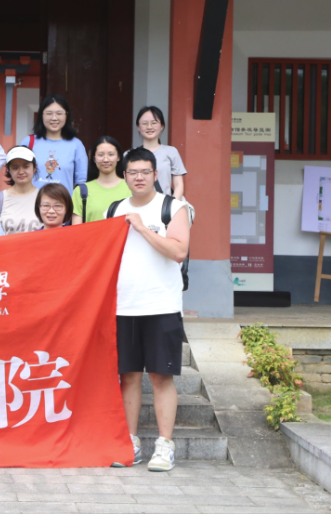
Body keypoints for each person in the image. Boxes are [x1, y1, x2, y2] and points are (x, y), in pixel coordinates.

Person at [108, 147, 191, 473]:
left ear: (156, 175)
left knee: (160, 376)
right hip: (123, 306)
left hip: (161, 306)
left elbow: (179, 251)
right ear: (124, 176)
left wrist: (143, 228)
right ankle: (130, 443)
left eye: (145, 172)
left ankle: (164, 445)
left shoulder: (173, 207)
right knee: (128, 376)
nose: (139, 177)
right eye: (132, 172)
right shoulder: (115, 208)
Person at [21, 94, 88, 194]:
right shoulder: (29, 142)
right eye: (49, 113)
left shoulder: (76, 145)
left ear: (66, 115)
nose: (54, 118)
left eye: (59, 113)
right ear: (41, 115)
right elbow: (18, 173)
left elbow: (81, 182)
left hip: (63, 202)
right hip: (33, 202)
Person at [72, 136, 131, 225]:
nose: (106, 159)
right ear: (94, 159)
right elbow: (76, 230)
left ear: (118, 157)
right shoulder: (81, 191)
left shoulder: (131, 187)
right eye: (101, 155)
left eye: (111, 154)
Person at [136, 106, 186, 200]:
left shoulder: (171, 152)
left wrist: (171, 205)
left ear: (162, 126)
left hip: (164, 204)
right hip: (138, 204)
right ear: (138, 127)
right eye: (145, 123)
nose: (149, 127)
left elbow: (178, 185)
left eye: (154, 123)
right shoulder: (130, 154)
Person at [0, 146, 43, 235]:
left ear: (34, 167)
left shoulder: (44, 197)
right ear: (8, 170)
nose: (21, 172)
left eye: (26, 166)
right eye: (15, 167)